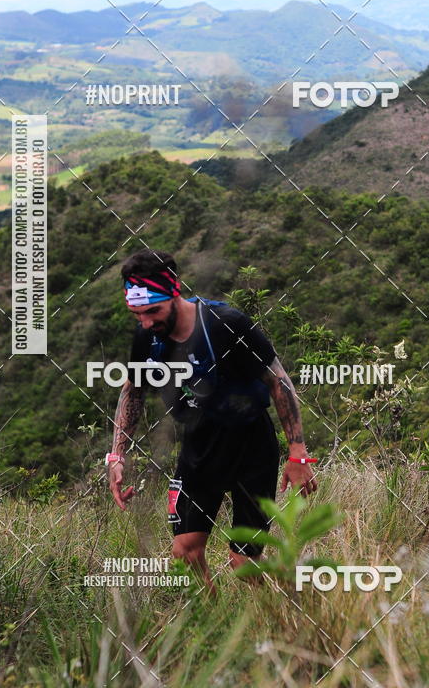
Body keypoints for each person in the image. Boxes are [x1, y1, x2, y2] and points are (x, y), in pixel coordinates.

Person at [107, 249, 317, 592]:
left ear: (174, 292)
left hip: (251, 445)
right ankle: (211, 620)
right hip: (199, 447)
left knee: (243, 564)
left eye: (152, 311)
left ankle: (275, 620)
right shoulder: (147, 338)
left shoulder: (227, 325)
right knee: (185, 553)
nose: (145, 322)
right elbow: (133, 391)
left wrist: (298, 453)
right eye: (136, 314)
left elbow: (278, 382)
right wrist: (117, 455)